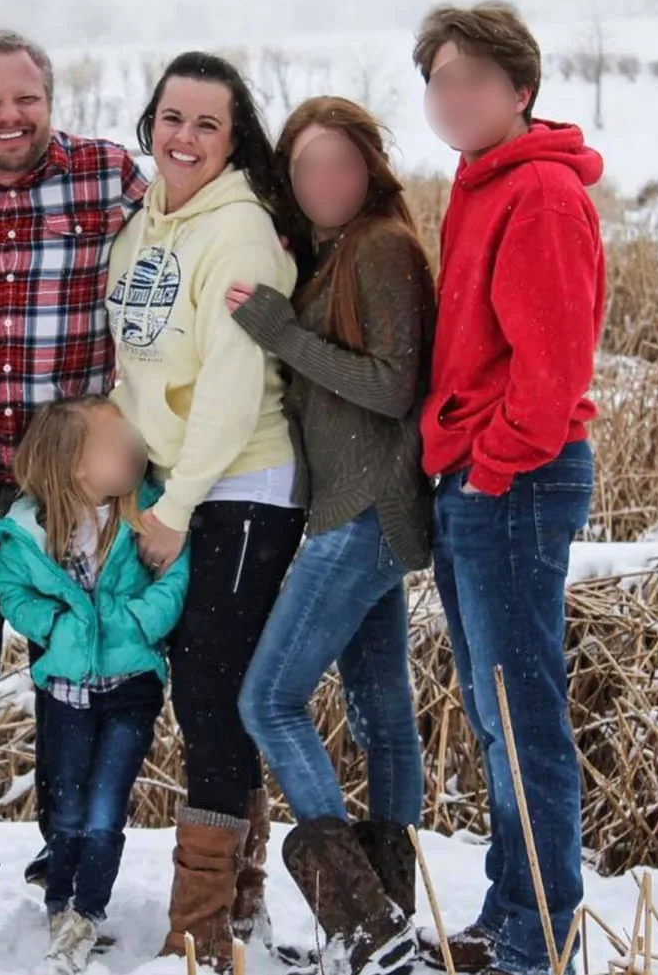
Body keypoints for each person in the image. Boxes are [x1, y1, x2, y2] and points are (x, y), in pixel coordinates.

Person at [0, 28, 150, 958]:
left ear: (50, 99)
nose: (9, 118)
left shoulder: (104, 177)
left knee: (82, 683)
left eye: (26, 100)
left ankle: (71, 862)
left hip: (72, 499)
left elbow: (198, 215)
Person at [410, 2, 605, 975]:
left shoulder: (538, 194)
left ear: (520, 90)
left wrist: (488, 469)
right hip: (475, 477)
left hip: (515, 481)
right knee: (497, 712)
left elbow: (553, 369)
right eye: (440, 80)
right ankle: (510, 912)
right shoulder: (480, 179)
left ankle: (539, 937)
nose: (453, 97)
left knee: (523, 715)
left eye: (473, 79)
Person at [106, 51, 305, 972]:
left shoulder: (240, 233)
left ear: (233, 140)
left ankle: (199, 927)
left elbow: (231, 386)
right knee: (208, 688)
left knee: (211, 693)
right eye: (170, 118)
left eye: (206, 124)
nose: (182, 137)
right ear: (149, 123)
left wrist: (178, 504)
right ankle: (241, 891)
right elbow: (136, 364)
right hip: (176, 485)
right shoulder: (145, 224)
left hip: (240, 486)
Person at [231, 96, 437, 975]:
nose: (325, 182)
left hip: (365, 514)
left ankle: (359, 919)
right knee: (382, 715)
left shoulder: (382, 247)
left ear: (370, 169)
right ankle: (389, 915)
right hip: (359, 511)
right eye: (307, 168)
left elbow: (394, 387)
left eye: (340, 165)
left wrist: (281, 333)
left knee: (267, 699)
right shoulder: (333, 253)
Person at [0, 397, 189, 975]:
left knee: (104, 812)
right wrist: (53, 626)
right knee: (67, 809)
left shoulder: (146, 513)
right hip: (66, 692)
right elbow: (10, 588)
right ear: (73, 464)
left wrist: (140, 622)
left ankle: (87, 912)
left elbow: (176, 574)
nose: (131, 449)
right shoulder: (29, 530)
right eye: (113, 443)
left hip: (131, 690)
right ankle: (59, 904)